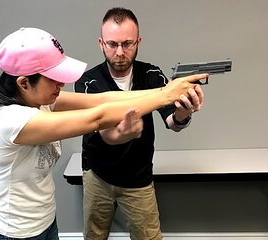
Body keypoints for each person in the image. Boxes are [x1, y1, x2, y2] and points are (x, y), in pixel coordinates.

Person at [0, 26, 207, 240]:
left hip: (45, 223)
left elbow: (101, 99)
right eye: (54, 78)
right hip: (13, 234)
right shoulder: (9, 120)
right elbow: (97, 117)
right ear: (24, 83)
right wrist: (166, 96)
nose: (61, 84)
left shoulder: (40, 101)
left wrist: (167, 90)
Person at [74, 7, 205, 240]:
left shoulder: (152, 75)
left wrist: (183, 113)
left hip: (138, 177)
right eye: (112, 44)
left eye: (128, 44)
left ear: (139, 42)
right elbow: (103, 129)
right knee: (94, 237)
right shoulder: (88, 82)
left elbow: (173, 122)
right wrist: (122, 134)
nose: (120, 52)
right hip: (98, 176)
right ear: (101, 43)